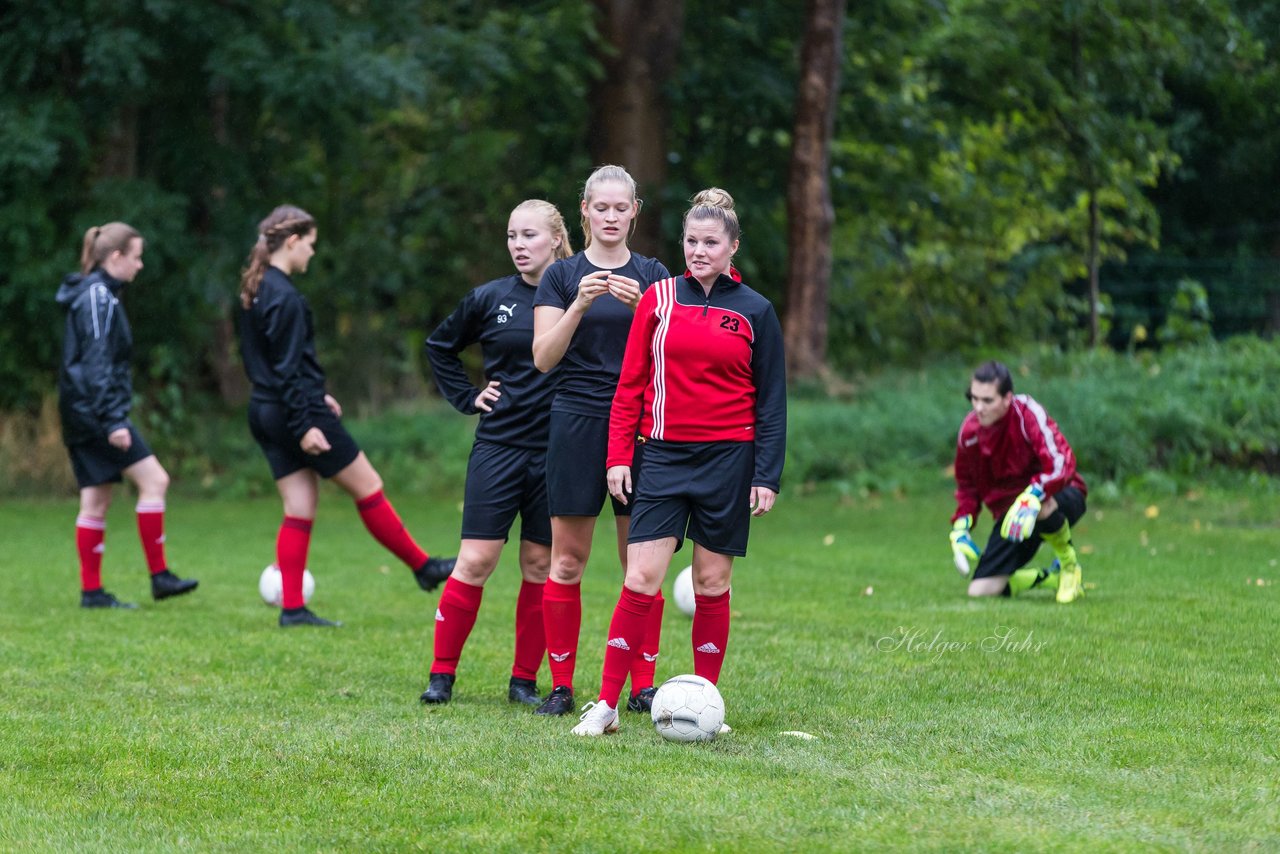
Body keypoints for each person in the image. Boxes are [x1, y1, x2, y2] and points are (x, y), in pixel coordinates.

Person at [571, 188, 787, 736]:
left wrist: (766, 474)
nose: (698, 250)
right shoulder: (658, 298)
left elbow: (771, 401)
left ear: (732, 247)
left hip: (729, 462)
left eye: (710, 242)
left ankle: (706, 703)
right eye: (691, 241)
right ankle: (606, 706)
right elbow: (631, 385)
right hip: (663, 457)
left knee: (712, 584)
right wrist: (619, 455)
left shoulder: (757, 311)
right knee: (641, 577)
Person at [237, 205, 455, 627]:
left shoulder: (257, 288)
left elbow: (274, 364)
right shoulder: (285, 296)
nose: (312, 255)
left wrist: (315, 394)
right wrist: (305, 424)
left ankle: (294, 610)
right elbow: (287, 369)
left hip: (264, 410)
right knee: (369, 486)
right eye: (311, 246)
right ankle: (422, 566)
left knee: (299, 505)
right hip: (294, 412)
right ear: (293, 241)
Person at [419, 200, 572, 706]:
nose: (518, 246)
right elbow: (440, 346)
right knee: (476, 559)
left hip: (556, 452)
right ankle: (442, 675)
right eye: (511, 236)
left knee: (538, 562)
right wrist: (468, 397)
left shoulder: (577, 293)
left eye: (529, 235)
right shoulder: (489, 298)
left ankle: (523, 681)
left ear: (555, 238)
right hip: (499, 446)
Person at [530, 165, 671, 716]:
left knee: (641, 564)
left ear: (635, 211)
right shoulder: (561, 276)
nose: (611, 217)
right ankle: (561, 685)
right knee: (567, 561)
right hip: (576, 422)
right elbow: (543, 358)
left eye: (621, 208)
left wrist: (647, 310)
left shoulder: (655, 274)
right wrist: (580, 304)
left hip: (640, 425)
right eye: (601, 208)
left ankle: (642, 686)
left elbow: (676, 350)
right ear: (584, 210)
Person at [57, 222, 200, 609]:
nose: (140, 266)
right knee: (155, 480)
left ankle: (92, 592)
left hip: (79, 411)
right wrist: (113, 419)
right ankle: (160, 577)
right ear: (115, 256)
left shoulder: (93, 294)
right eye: (136, 257)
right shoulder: (100, 297)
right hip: (96, 413)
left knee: (96, 500)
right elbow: (98, 362)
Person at [948, 360, 1087, 603]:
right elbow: (967, 488)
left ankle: (1069, 567)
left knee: (1041, 504)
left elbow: (1061, 463)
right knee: (981, 590)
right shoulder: (969, 433)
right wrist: (961, 527)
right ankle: (1050, 578)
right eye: (974, 398)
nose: (978, 407)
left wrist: (1033, 494)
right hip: (1011, 517)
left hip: (1060, 495)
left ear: (1007, 398)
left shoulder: (1027, 414)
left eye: (987, 400)